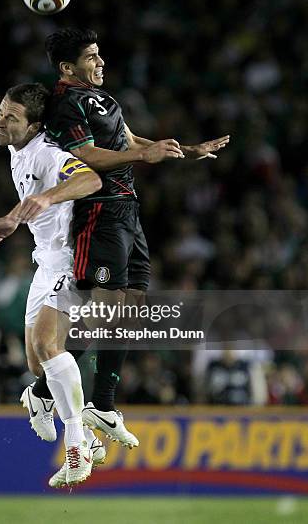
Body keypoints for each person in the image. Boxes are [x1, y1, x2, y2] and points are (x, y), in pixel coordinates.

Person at [41, 28, 230, 448]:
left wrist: (187, 150)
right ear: (67, 67)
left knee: (129, 311)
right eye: (91, 56)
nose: (101, 62)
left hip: (129, 213)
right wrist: (143, 156)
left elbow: (126, 140)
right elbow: (86, 155)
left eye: (99, 53)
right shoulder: (65, 104)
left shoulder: (105, 99)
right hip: (100, 211)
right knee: (105, 314)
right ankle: (68, 397)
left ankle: (87, 402)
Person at [0, 82, 103, 486]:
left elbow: (90, 180)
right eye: (1, 110)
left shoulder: (49, 153)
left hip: (69, 260)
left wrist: (48, 199)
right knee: (38, 365)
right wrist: (15, 218)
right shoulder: (16, 153)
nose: (0, 120)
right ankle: (40, 398)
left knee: (50, 347)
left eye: (11, 117)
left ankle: (77, 445)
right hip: (44, 262)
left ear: (34, 125)